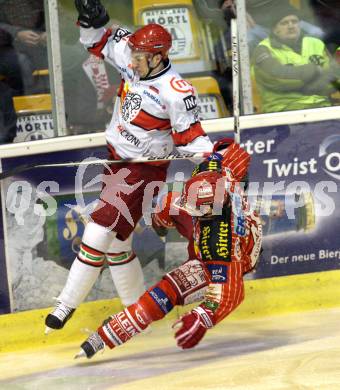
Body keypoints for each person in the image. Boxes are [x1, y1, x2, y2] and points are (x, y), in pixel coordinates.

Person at [44, 0, 213, 333]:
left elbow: (192, 139)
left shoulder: (176, 92)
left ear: (158, 57)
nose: (132, 60)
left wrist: (213, 160)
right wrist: (94, 21)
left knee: (97, 230)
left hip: (142, 171)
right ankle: (136, 312)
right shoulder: (133, 57)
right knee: (118, 244)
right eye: (132, 54)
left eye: (140, 57)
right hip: (116, 159)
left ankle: (65, 305)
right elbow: (99, 41)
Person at [74, 140, 262, 359]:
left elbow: (230, 295)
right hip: (222, 228)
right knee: (169, 207)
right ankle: (160, 222)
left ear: (212, 209)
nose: (190, 206)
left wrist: (202, 317)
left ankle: (107, 335)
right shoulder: (223, 175)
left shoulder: (220, 247)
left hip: (229, 260)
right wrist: (219, 149)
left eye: (198, 208)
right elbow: (236, 153)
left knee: (166, 292)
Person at [252, 4, 340, 113]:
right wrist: (315, 71)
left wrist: (298, 76)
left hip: (321, 109)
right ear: (274, 29)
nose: (291, 26)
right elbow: (278, 79)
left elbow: (333, 78)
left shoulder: (316, 43)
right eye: (284, 23)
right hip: (284, 113)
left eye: (294, 21)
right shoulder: (263, 49)